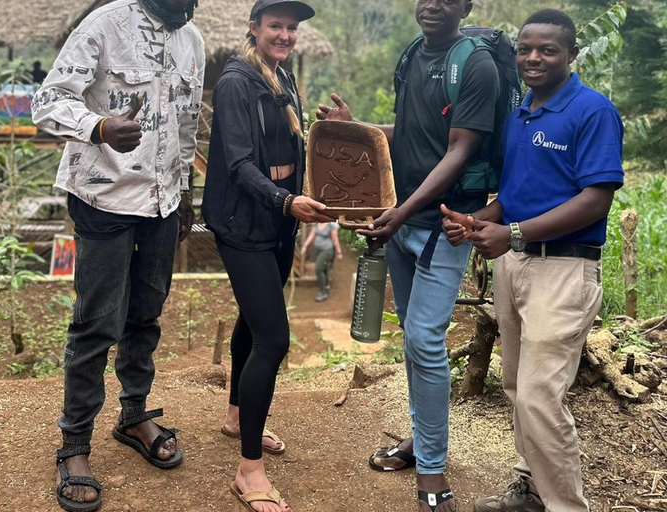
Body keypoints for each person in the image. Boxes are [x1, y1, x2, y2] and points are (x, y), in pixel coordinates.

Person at [318, 1, 500, 510]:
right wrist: (357, 130)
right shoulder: (410, 57)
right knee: (414, 339)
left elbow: (459, 149)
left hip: (445, 222)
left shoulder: (477, 66)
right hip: (401, 221)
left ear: (465, 5)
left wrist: (402, 211)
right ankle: (421, 443)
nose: (434, 4)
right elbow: (412, 140)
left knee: (424, 338)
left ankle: (434, 467)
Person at [442, 9, 624, 512]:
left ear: (571, 54)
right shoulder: (520, 114)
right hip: (517, 266)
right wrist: (477, 220)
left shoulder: (592, 111)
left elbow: (595, 199)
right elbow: (515, 196)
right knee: (517, 384)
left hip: (564, 270)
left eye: (547, 49)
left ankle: (567, 505)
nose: (533, 58)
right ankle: (529, 488)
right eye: (525, 49)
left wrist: (513, 233)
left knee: (541, 398)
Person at [32, 0, 204, 510]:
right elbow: (49, 100)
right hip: (103, 195)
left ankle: (134, 416)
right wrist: (99, 127)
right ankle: (75, 444)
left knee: (145, 313)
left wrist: (187, 191)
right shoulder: (106, 24)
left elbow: (187, 122)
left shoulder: (192, 40)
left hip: (163, 202)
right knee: (97, 322)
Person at [202, 1, 331, 510]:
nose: (284, 35)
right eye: (275, 26)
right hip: (244, 223)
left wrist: (327, 129)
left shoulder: (284, 79)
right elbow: (237, 162)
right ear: (253, 29)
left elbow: (292, 149)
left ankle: (236, 416)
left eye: (291, 28)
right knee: (274, 339)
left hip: (281, 221)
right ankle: (249, 469)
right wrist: (284, 200)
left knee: (254, 324)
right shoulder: (236, 82)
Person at [300, 222, 343, 301]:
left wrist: (339, 252)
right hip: (318, 251)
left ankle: (323, 292)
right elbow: (311, 236)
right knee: (324, 269)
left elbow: (335, 240)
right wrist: (305, 246)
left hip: (327, 251)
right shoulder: (316, 224)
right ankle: (326, 288)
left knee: (318, 269)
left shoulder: (331, 226)